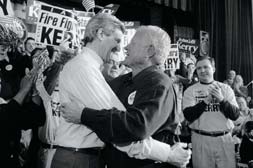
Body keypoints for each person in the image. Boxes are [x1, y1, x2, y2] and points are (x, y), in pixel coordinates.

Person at [61, 25, 191, 168]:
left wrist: (84, 115)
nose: (126, 47)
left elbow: (137, 127)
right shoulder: (118, 82)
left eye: (133, 43)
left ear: (150, 51)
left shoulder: (159, 84)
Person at [182, 56, 240, 168]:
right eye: (199, 68)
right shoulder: (190, 90)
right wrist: (206, 101)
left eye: (206, 67)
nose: (202, 71)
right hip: (201, 139)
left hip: (224, 139)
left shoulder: (225, 88)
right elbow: (189, 115)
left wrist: (222, 100)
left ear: (213, 69)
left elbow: (235, 115)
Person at [0, 67, 46, 168]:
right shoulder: (6, 109)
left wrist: (33, 90)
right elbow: (5, 116)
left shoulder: (4, 104)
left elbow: (36, 118)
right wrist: (25, 89)